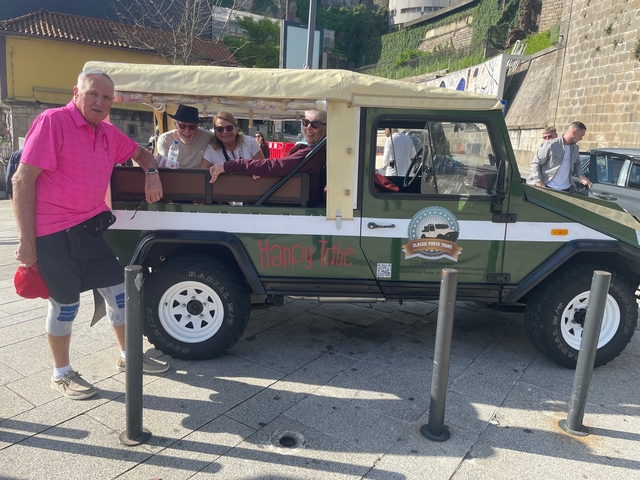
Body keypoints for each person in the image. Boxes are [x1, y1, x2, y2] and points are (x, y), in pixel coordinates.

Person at [12, 69, 170, 400]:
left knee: (120, 293)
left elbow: (142, 153)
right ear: (76, 92)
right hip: (53, 234)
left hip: (90, 229)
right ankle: (62, 373)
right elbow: (21, 181)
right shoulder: (53, 122)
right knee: (65, 306)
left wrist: (151, 173)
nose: (99, 101)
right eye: (92, 94)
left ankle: (129, 357)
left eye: (106, 97)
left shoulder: (108, 133)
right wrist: (26, 242)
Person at [208, 110, 327, 207]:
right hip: (285, 198)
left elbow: (274, 166)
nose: (308, 128)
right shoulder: (314, 150)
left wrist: (229, 165)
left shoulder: (314, 153)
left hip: (290, 202)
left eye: (315, 124)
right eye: (305, 122)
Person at [527, 121, 592, 192]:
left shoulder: (575, 148)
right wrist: (538, 181)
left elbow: (577, 163)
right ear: (574, 132)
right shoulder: (550, 145)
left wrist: (581, 176)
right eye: (581, 136)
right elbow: (535, 163)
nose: (581, 139)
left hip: (567, 189)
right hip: (548, 187)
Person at [200, 111, 264, 167]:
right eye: (220, 129)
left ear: (236, 128)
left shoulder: (249, 142)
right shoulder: (211, 150)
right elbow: (202, 175)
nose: (225, 132)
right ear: (215, 132)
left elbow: (263, 167)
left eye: (229, 128)